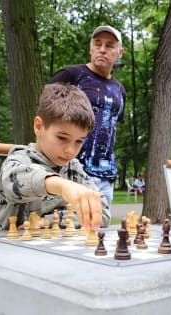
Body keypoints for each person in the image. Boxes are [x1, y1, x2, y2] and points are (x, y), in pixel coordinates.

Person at [0, 83, 111, 231]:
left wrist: (50, 221)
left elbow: (102, 213)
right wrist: (62, 186)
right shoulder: (18, 159)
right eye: (62, 138)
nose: (70, 150)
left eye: (79, 141)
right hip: (4, 248)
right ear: (39, 127)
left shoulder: (73, 169)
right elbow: (13, 182)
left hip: (50, 249)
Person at [49, 25, 126, 209]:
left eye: (109, 45)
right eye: (97, 44)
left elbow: (112, 129)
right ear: (90, 48)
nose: (102, 49)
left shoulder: (120, 90)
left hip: (106, 175)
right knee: (68, 230)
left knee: (97, 232)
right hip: (71, 170)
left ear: (119, 53)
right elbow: (45, 117)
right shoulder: (71, 75)